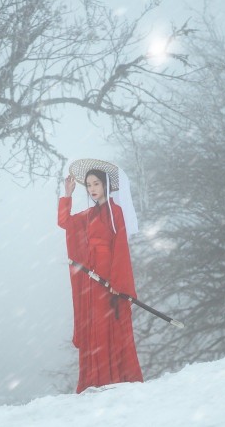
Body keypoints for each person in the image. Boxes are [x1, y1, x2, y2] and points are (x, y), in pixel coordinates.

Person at [57, 159, 144, 393]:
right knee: (94, 324)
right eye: (88, 185)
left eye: (96, 183)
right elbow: (65, 222)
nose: (92, 188)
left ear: (105, 185)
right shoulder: (88, 214)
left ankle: (116, 376)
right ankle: (95, 379)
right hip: (92, 279)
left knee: (109, 324)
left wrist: (119, 283)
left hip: (110, 277)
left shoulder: (116, 212)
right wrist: (67, 195)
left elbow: (121, 249)